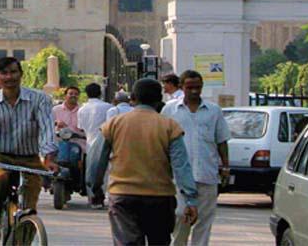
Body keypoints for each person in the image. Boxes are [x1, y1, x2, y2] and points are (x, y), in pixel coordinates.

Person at [88, 78, 198, 246]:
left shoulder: (114, 124)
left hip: (123, 195)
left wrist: (95, 188)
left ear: (133, 98)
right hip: (160, 198)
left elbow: (96, 161)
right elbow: (181, 166)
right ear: (159, 100)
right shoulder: (169, 126)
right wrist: (190, 200)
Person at [0, 57, 58, 246]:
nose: (9, 77)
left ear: (21, 74)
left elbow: (47, 130)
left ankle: (23, 240)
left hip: (30, 159)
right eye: (4, 73)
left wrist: (49, 157)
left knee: (29, 202)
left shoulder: (40, 100)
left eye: (13, 72)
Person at [161, 70, 231, 246]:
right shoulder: (170, 110)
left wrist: (225, 167)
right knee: (181, 217)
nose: (194, 91)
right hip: (179, 177)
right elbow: (161, 140)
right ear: (182, 87)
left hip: (207, 174)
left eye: (198, 87)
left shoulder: (213, 110)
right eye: (190, 87)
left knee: (204, 222)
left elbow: (222, 140)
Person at [52, 86, 87, 151]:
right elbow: (49, 125)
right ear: (65, 96)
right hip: (59, 143)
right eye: (71, 94)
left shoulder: (83, 111)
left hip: (79, 144)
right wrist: (57, 123)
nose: (73, 95)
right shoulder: (55, 109)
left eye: (76, 94)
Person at [77, 83, 112, 148]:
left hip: (89, 145)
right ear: (100, 93)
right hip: (105, 145)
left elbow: (81, 128)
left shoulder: (81, 110)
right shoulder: (109, 107)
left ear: (87, 94)